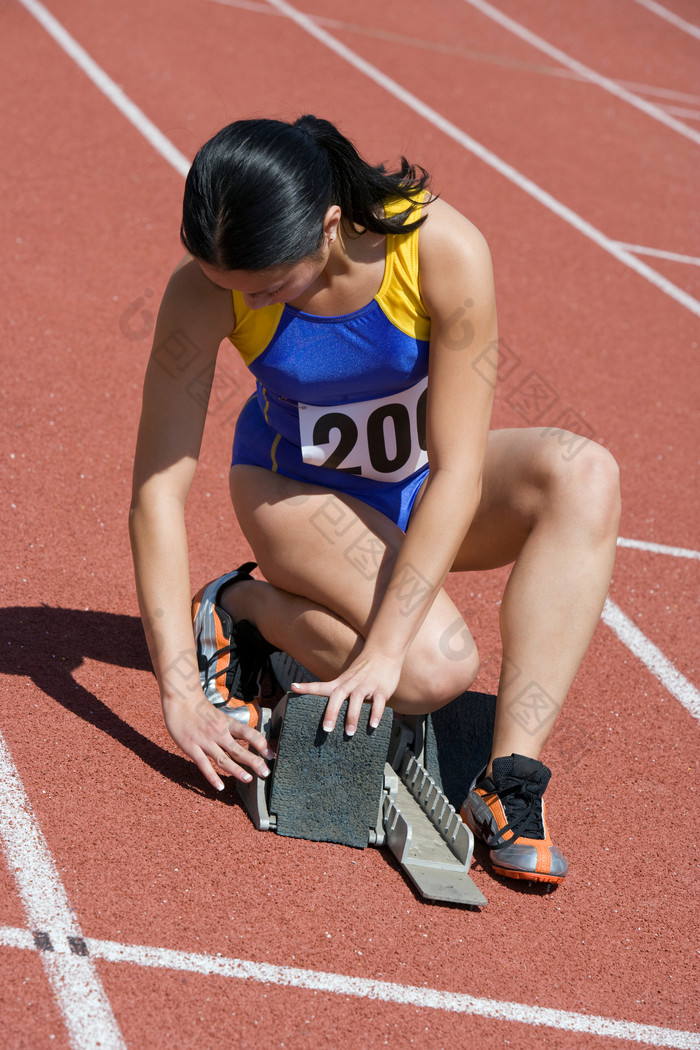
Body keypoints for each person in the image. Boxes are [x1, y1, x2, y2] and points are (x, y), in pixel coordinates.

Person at [129, 115, 620, 885]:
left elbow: (457, 470)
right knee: (433, 676)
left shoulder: (439, 250)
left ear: (329, 226)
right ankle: (243, 606)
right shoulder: (205, 288)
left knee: (583, 472)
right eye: (229, 285)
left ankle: (509, 781)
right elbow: (158, 490)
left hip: (422, 487)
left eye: (266, 285)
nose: (243, 298)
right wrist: (179, 691)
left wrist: (383, 648)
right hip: (295, 495)